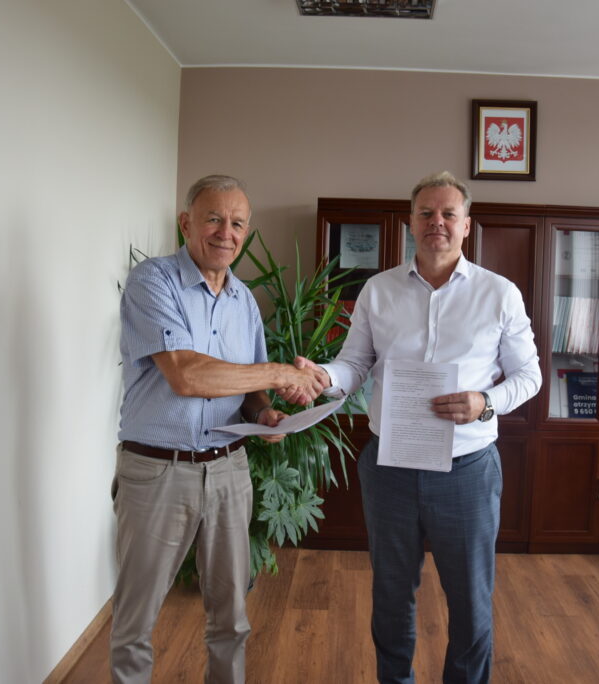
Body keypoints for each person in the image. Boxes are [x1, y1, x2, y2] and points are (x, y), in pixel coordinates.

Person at [294, 171, 541, 683]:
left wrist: (485, 402)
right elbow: (354, 365)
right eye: (426, 213)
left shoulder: (499, 294)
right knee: (390, 596)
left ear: (466, 225)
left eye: (449, 213)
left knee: (470, 601)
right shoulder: (378, 290)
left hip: (467, 470)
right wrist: (324, 377)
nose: (437, 222)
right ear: (411, 222)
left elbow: (529, 376)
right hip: (390, 469)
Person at [110, 174, 325, 684]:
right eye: (213, 219)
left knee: (231, 619)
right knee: (136, 621)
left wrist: (265, 415)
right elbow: (187, 375)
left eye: (237, 224)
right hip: (158, 473)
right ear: (186, 223)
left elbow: (248, 392)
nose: (226, 233)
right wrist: (278, 373)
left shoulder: (243, 301)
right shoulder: (152, 282)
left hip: (229, 472)